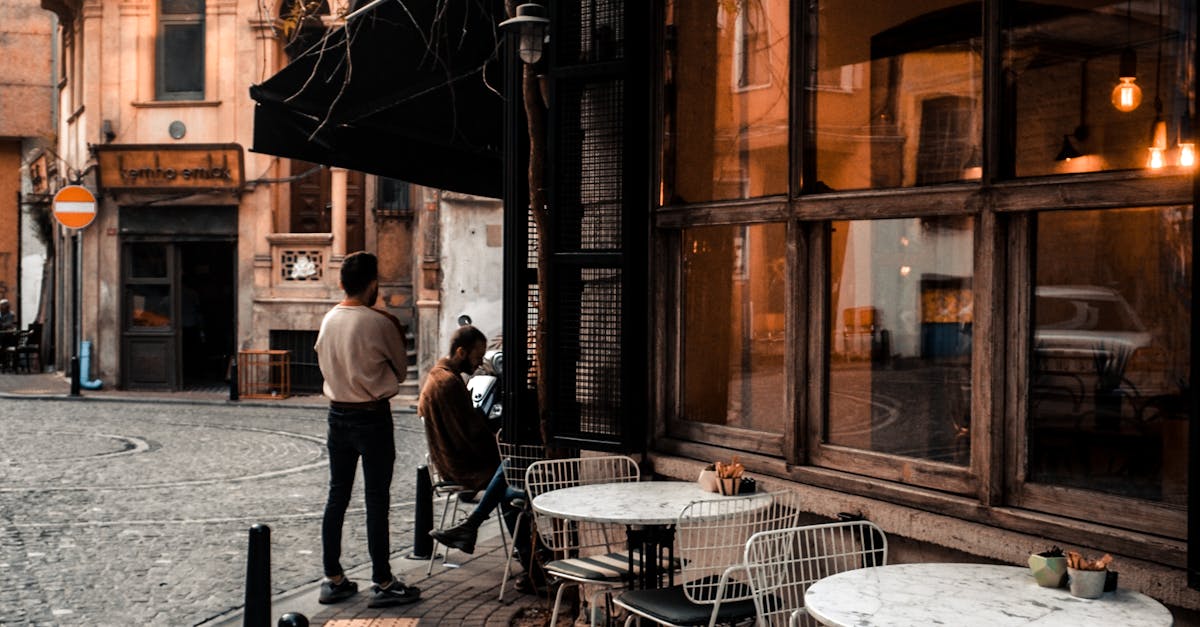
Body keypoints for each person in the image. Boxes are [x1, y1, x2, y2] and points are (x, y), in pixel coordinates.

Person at [313, 251, 420, 607]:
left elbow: (323, 363)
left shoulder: (328, 320)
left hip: (337, 415)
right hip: (372, 416)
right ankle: (383, 581)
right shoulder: (380, 322)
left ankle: (334, 576)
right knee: (376, 500)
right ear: (373, 284)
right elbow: (402, 373)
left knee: (336, 496)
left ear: (342, 282)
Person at [420, 325, 546, 592]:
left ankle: (473, 527)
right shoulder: (449, 382)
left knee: (509, 473)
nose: (479, 363)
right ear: (461, 352)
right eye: (477, 356)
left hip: (452, 458)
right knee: (511, 483)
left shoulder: (438, 376)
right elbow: (471, 433)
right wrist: (499, 434)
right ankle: (534, 568)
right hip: (460, 464)